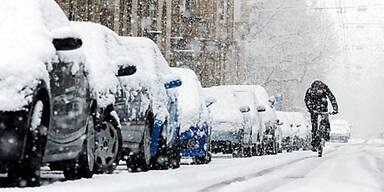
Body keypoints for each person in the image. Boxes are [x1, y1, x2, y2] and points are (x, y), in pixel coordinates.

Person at [304, 80, 338, 151]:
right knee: (314, 125)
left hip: (323, 108)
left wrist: (335, 109)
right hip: (314, 109)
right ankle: (314, 143)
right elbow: (307, 101)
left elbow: (332, 98)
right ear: (315, 90)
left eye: (321, 91)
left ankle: (326, 133)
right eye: (318, 91)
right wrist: (311, 109)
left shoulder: (325, 89)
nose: (320, 92)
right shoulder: (310, 91)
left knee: (325, 120)